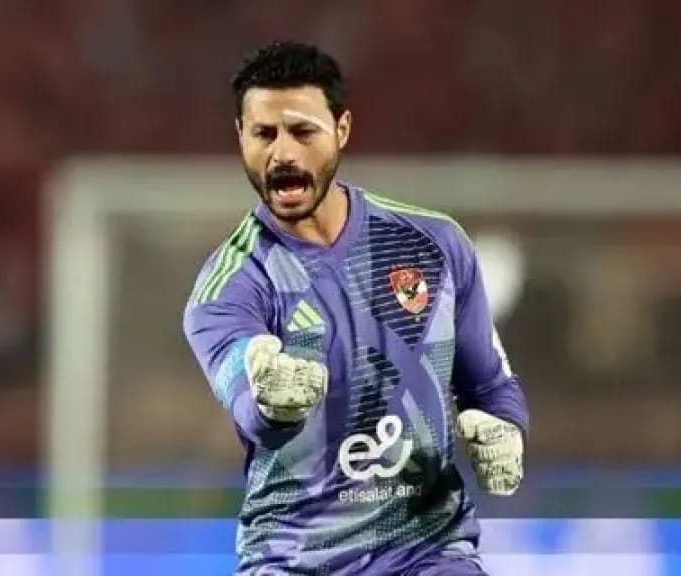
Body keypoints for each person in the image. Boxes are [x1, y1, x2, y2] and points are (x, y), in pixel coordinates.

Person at [183, 41, 529, 576]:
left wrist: (505, 431)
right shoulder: (227, 287)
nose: (283, 154)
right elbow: (251, 404)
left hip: (428, 553)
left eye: (302, 132)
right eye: (264, 134)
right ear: (240, 137)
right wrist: (271, 397)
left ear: (341, 129)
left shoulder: (434, 245)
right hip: (294, 561)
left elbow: (489, 386)